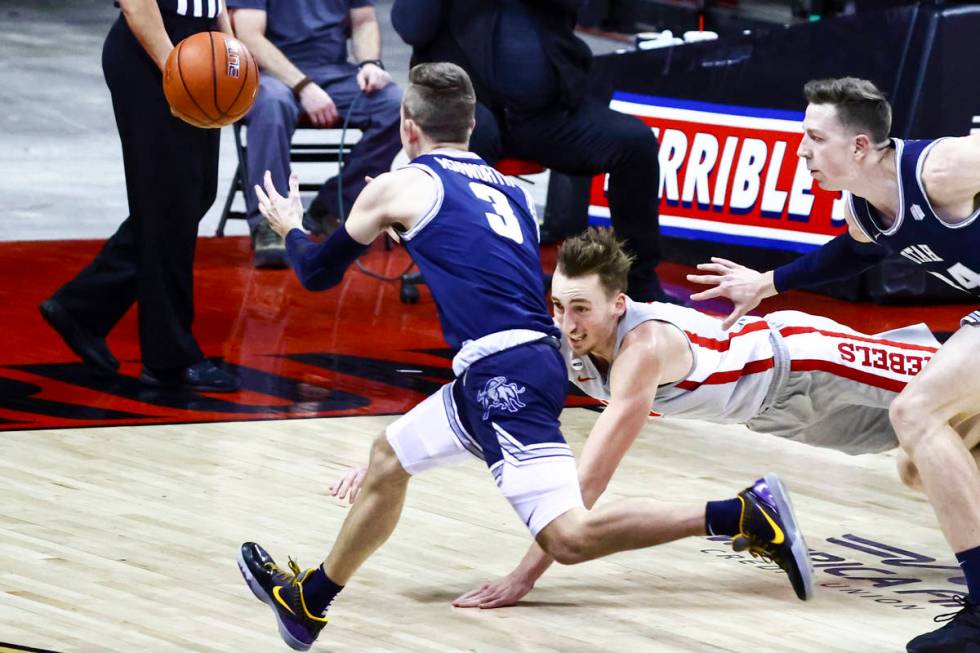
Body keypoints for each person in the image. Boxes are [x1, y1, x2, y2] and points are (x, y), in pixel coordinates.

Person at [235, 63, 812, 651]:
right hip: (514, 362)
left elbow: (313, 273)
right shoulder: (508, 188)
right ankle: (310, 604)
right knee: (388, 457)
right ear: (472, 124)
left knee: (569, 537)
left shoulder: (401, 184)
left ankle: (740, 513)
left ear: (408, 129)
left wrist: (289, 226)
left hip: (503, 373)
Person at [331, 226, 948, 610]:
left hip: (811, 365)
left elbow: (587, 488)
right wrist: (388, 458)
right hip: (781, 415)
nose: (568, 325)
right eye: (558, 306)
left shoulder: (641, 349)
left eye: (581, 309)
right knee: (942, 448)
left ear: (617, 304)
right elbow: (481, 389)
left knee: (961, 395)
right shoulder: (565, 339)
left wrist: (524, 578)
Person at [687, 77, 980, 653]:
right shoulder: (867, 210)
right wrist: (768, 283)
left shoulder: (941, 170)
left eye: (814, 139)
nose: (801, 151)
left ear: (860, 147)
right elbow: (849, 252)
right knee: (920, 463)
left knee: (916, 411)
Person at [390, 0, 669, 302]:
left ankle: (640, 285)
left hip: (546, 116)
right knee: (467, 138)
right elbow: (411, 26)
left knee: (635, 142)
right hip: (467, 115)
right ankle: (474, 283)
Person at [38, 0, 239, 392]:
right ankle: (169, 360)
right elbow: (136, 4)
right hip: (154, 50)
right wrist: (177, 71)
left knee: (193, 196)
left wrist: (233, 54)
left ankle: (82, 308)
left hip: (202, 47)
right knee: (170, 205)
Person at [228, 0, 402, 267]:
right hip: (272, 75)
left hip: (334, 73)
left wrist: (369, 63)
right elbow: (249, 35)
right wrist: (303, 86)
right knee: (272, 104)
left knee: (394, 106)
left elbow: (364, 21)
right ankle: (271, 223)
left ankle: (333, 207)